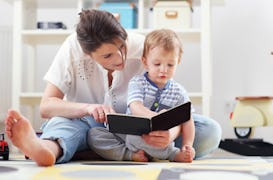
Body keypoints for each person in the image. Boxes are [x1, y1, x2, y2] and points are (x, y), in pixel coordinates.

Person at [5, 9, 221, 166]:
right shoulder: (72, 49)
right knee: (66, 129)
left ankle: (89, 151)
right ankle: (44, 150)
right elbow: (47, 106)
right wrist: (88, 108)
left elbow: (176, 104)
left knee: (209, 131)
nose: (120, 58)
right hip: (86, 124)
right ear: (87, 53)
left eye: (121, 47)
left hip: (140, 132)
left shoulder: (146, 49)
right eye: (108, 55)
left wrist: (171, 133)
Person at [88, 29, 195, 162]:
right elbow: (135, 107)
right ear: (145, 62)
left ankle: (171, 153)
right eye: (157, 64)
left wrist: (187, 145)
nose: (163, 69)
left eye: (170, 64)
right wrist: (157, 118)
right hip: (130, 134)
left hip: (158, 138)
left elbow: (187, 119)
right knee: (95, 134)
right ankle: (131, 155)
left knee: (149, 139)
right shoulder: (138, 82)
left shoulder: (179, 92)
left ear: (178, 62)